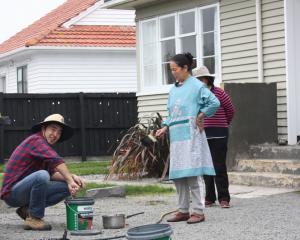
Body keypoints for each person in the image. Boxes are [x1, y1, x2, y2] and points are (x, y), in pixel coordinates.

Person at [155, 53, 220, 224]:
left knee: (192, 174)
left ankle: (198, 211)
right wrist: (165, 126)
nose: (173, 73)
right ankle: (183, 210)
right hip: (176, 137)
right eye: (171, 70)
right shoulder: (174, 89)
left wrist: (201, 115)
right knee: (178, 176)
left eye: (175, 69)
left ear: (185, 68)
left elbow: (214, 102)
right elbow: (172, 113)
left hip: (191, 135)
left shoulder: (197, 86)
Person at [0, 113, 85, 231]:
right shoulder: (36, 141)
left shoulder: (43, 147)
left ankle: (27, 210)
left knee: (66, 186)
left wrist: (72, 178)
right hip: (12, 194)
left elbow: (52, 174)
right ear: (44, 129)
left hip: (23, 191)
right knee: (42, 175)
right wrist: (70, 180)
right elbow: (57, 161)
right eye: (53, 129)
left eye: (59, 132)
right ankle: (34, 218)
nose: (55, 134)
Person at [193, 66, 234, 208]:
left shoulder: (219, 93)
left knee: (219, 166)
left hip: (220, 133)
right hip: (203, 134)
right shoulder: (197, 95)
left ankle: (224, 198)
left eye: (200, 79)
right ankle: (209, 197)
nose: (199, 82)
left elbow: (230, 111)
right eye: (196, 80)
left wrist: (223, 124)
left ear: (207, 79)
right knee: (206, 167)